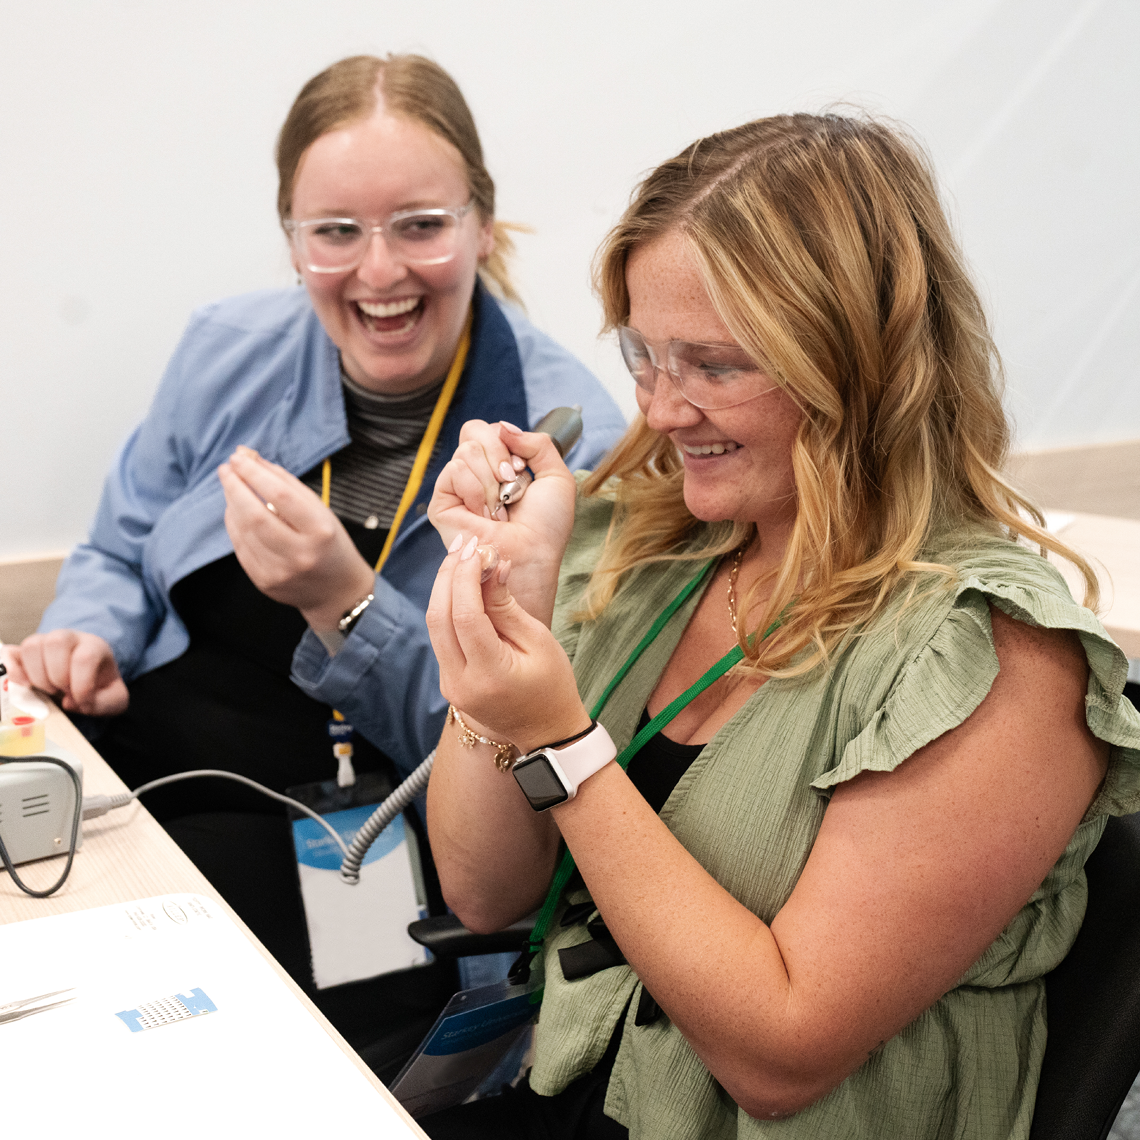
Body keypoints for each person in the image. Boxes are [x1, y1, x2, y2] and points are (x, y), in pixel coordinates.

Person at [419, 113, 1140, 1138]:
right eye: (645, 355)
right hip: (585, 1097)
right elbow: (485, 892)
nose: (662, 411)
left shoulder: (995, 654)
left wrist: (562, 745)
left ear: (862, 366)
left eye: (714, 366)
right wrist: (507, 617)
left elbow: (782, 1052)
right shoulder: (655, 546)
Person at [2, 54, 624, 1077]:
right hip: (143, 796)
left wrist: (348, 603)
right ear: (292, 241)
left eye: (420, 225)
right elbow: (118, 545)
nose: (379, 273)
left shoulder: (570, 449)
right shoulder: (226, 348)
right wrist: (89, 634)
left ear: (480, 223)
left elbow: (520, 754)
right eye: (335, 231)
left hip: (375, 862)